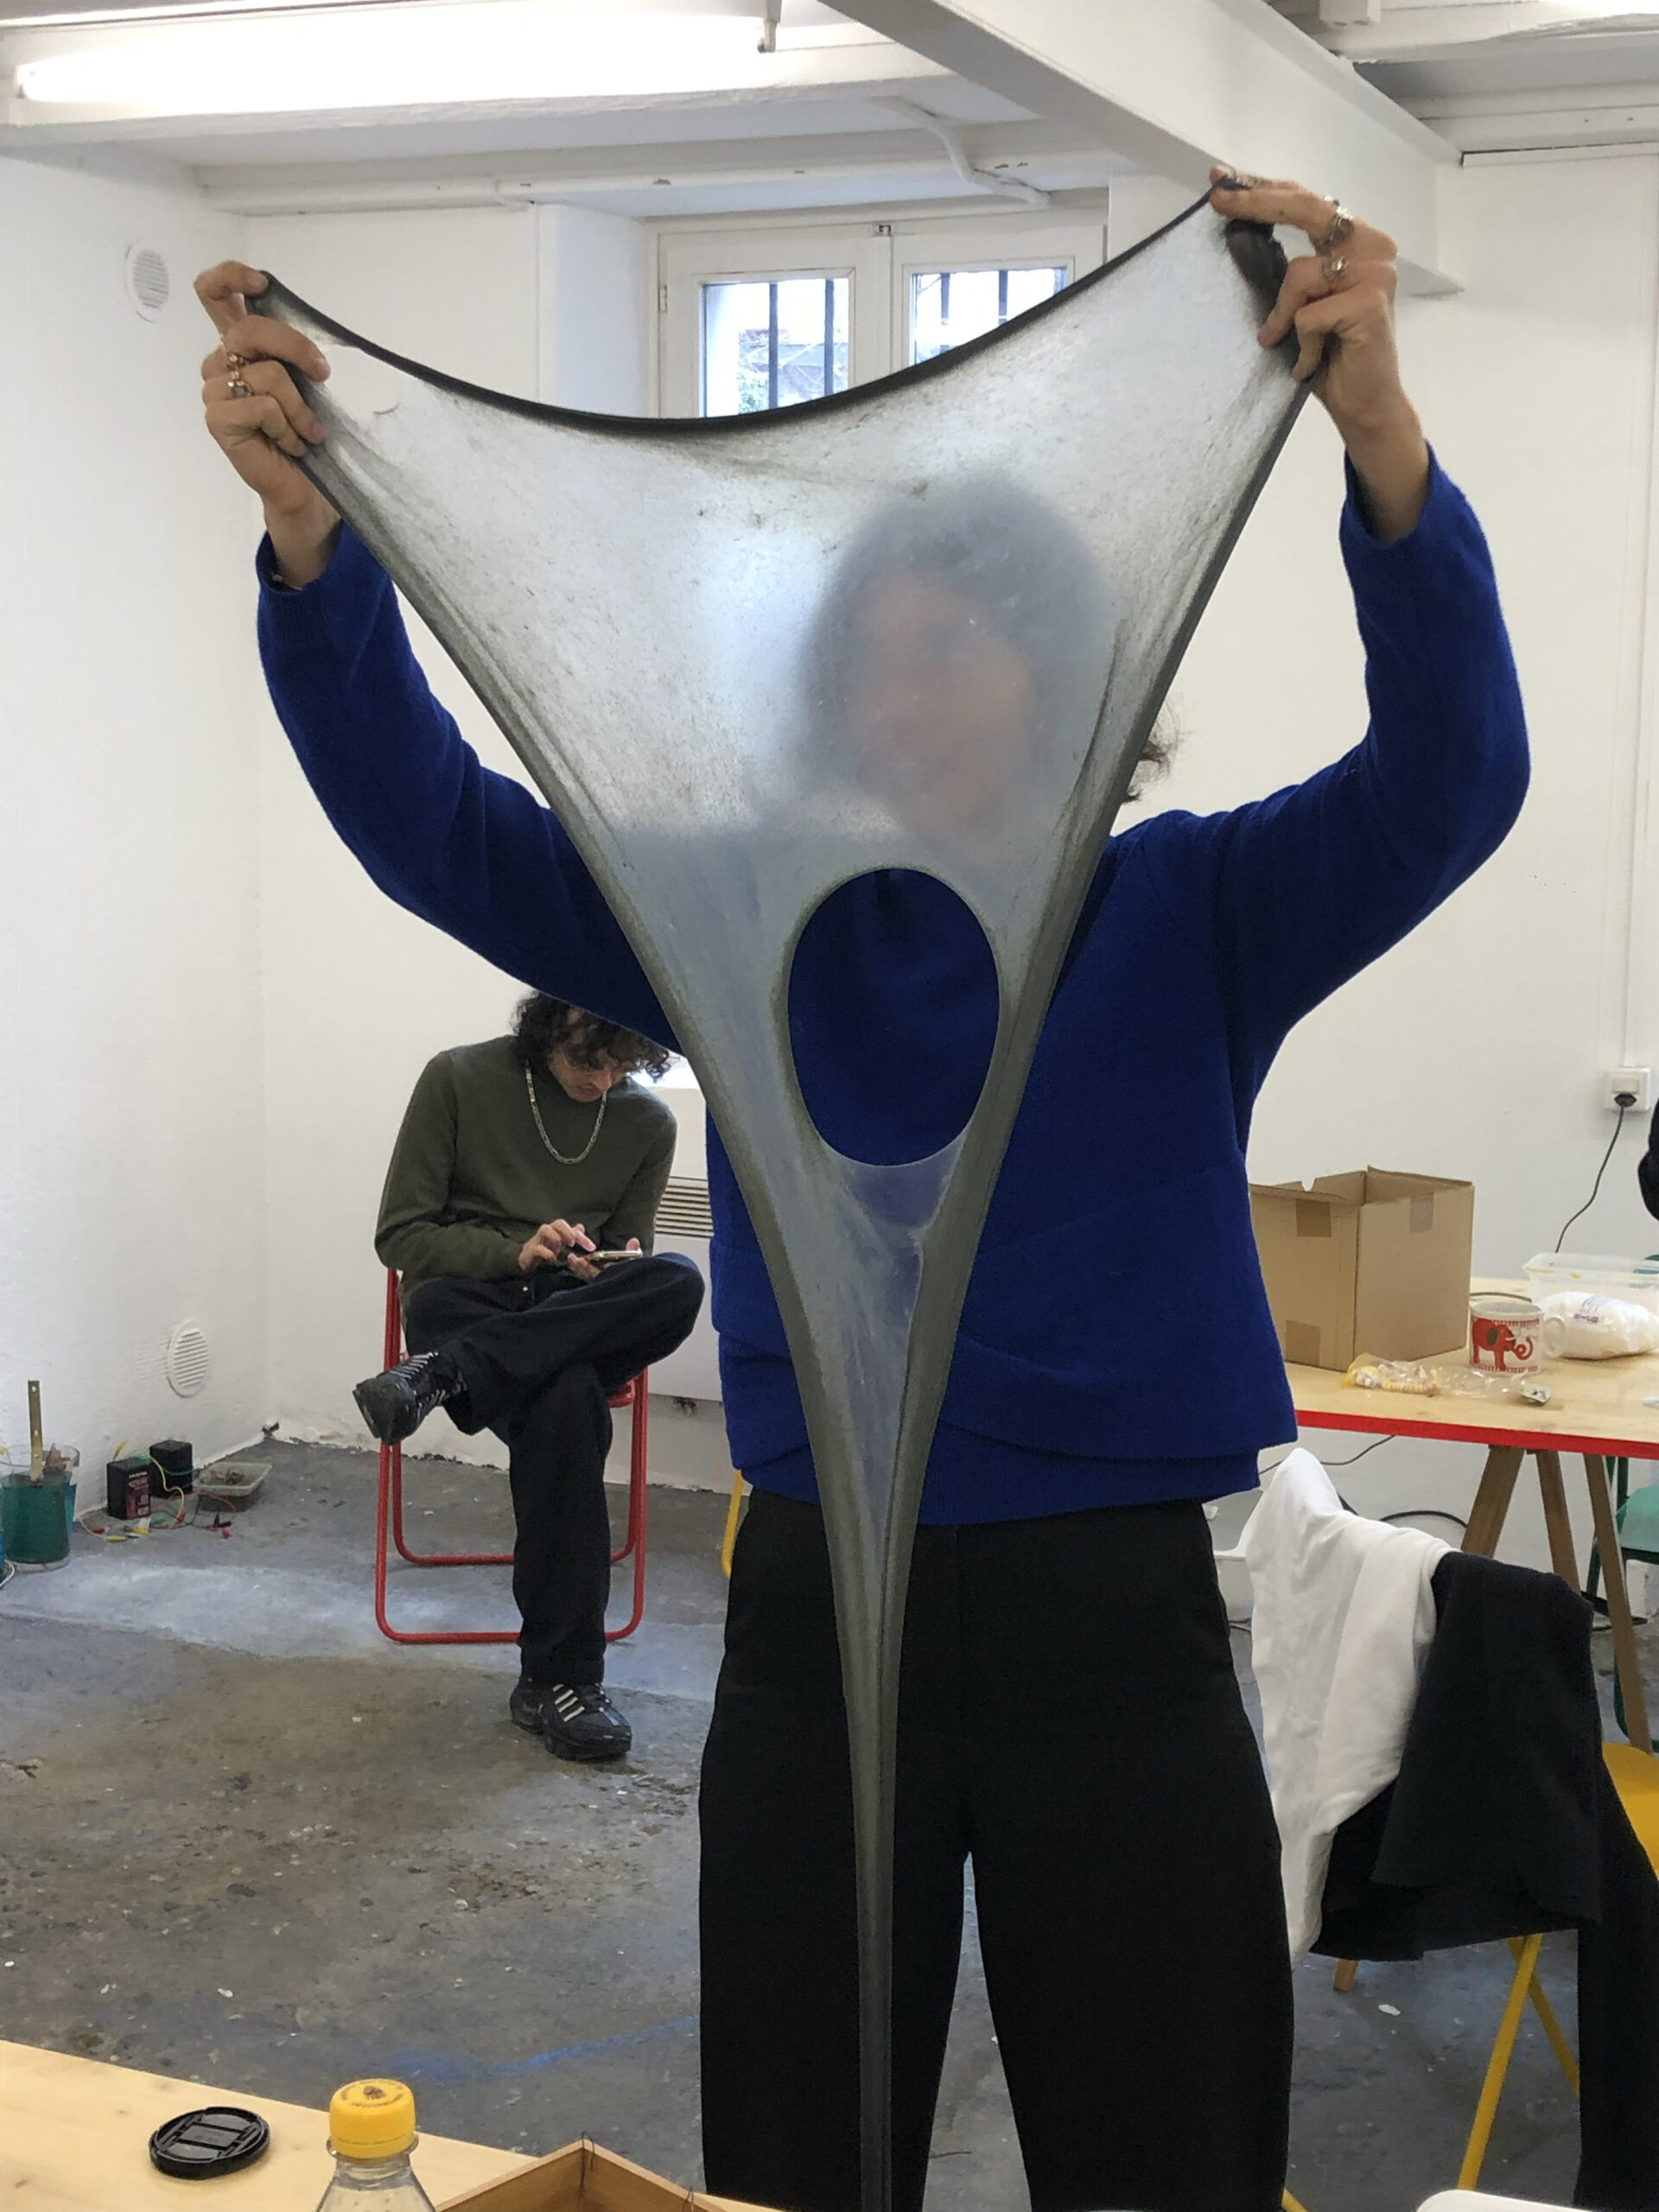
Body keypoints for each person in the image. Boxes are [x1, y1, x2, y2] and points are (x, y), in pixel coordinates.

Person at [196, 173, 1529, 2212]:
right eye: (874, 658)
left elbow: (1452, 775)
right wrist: (314, 541)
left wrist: (1379, 439)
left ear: (1066, 670)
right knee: (799, 2151)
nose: (912, 692)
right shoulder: (741, 928)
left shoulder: (1186, 910)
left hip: (1115, 1622)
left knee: (1162, 2147)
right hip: (821, 1622)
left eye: (958, 644)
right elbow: (433, 822)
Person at [359, 993, 703, 1763]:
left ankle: (443, 1375)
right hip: (468, 1297)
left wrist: (596, 1264)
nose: (604, 1080)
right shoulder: (457, 1079)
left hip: (560, 1312)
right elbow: (401, 1235)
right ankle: (562, 1679)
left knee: (677, 1281)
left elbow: (631, 1261)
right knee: (566, 1400)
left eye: (624, 1066)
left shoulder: (648, 1124)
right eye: (591, 1058)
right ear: (552, 1022)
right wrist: (515, 1251)